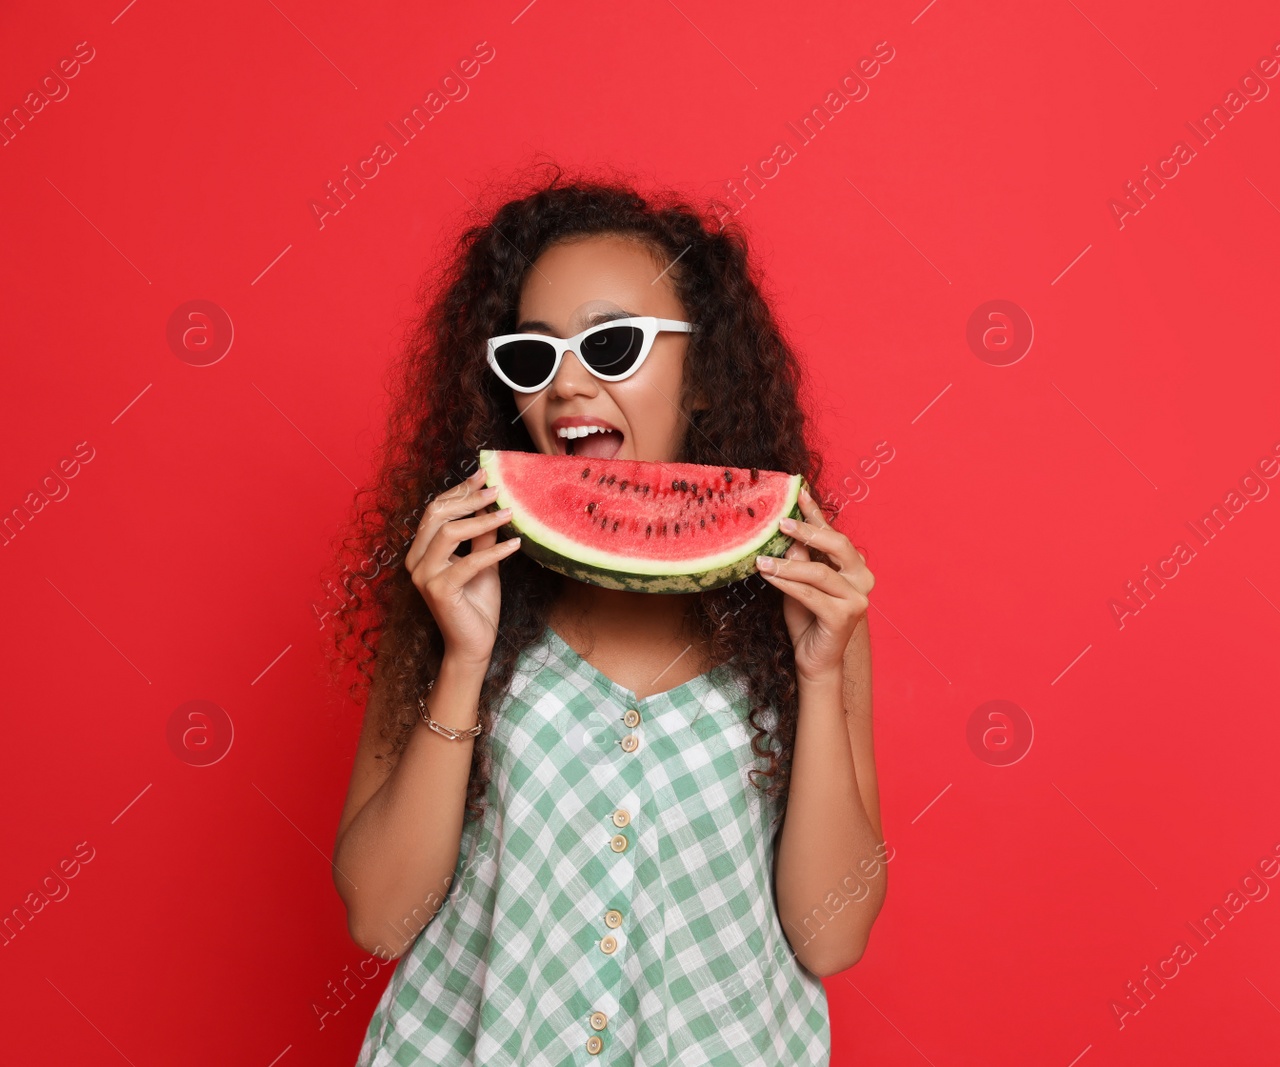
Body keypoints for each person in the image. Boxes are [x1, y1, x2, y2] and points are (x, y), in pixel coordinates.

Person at [327, 165, 886, 1065]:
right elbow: (381, 920)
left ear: (701, 374)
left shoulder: (805, 607)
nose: (568, 386)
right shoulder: (455, 588)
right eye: (532, 356)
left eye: (614, 346)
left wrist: (822, 673)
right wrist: (463, 658)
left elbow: (833, 937)